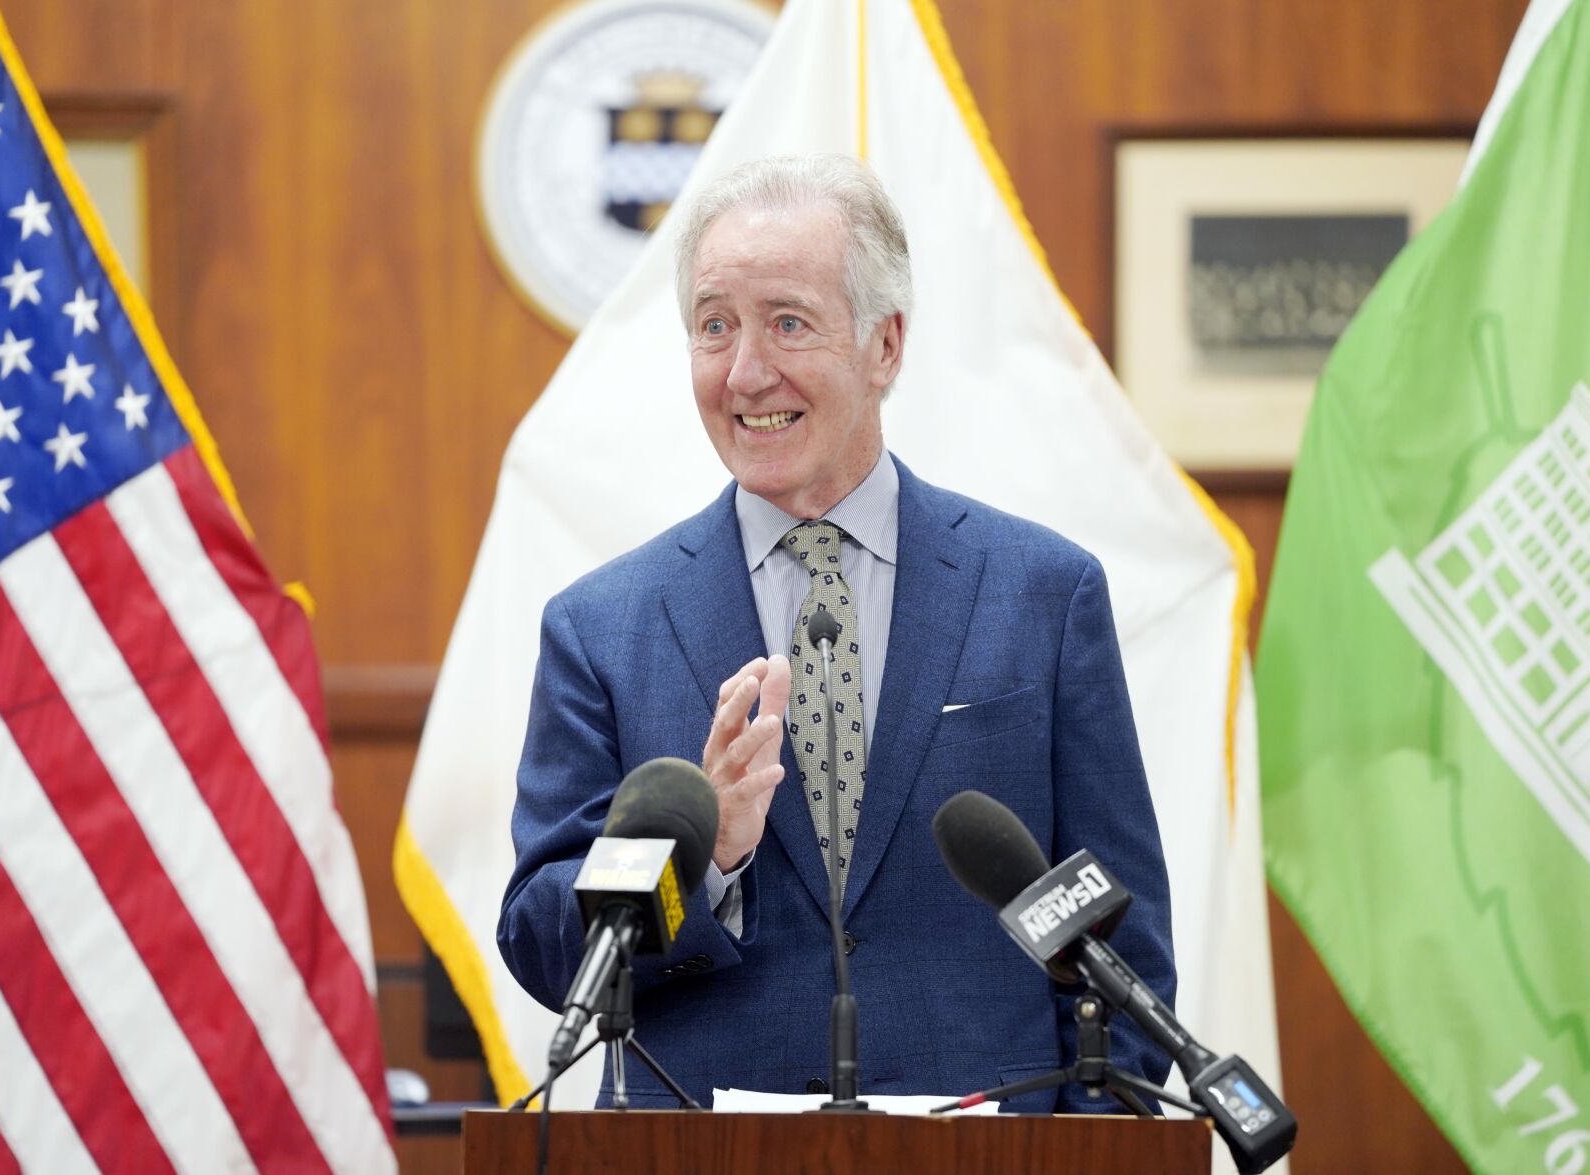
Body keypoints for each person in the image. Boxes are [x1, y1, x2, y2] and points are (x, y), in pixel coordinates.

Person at [497, 154, 1174, 1110]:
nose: (744, 371)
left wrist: (1094, 1149)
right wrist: (707, 859)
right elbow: (541, 943)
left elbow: (1120, 945)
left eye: (786, 322)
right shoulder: (603, 626)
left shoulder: (1041, 594)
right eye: (714, 325)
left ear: (884, 345)